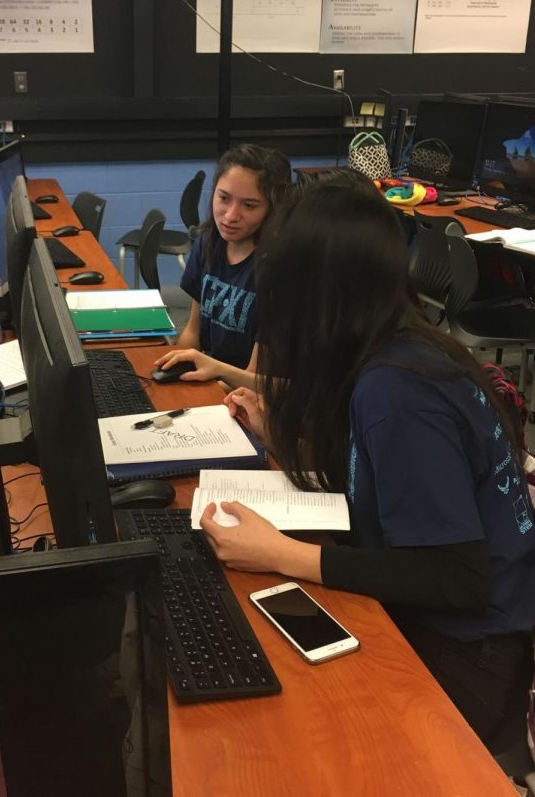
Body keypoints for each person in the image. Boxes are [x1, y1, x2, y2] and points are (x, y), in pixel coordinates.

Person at [201, 169, 535, 751]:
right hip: (453, 622)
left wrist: (282, 554)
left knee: (286, 733)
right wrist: (280, 439)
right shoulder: (395, 345)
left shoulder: (398, 391)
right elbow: (376, 484)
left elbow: (458, 579)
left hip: (471, 653)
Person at [153, 144, 291, 391]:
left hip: (244, 396)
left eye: (249, 205)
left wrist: (209, 378)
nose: (229, 216)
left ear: (272, 209)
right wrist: (171, 373)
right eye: (224, 198)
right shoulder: (209, 241)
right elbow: (192, 332)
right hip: (210, 380)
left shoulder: (278, 269)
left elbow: (257, 381)